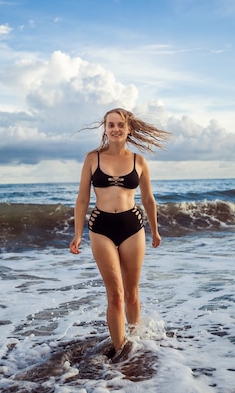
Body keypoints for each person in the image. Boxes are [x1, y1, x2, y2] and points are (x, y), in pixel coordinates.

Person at [69, 108, 170, 361]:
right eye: (111, 124)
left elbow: (148, 198)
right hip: (100, 226)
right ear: (105, 129)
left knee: (132, 293)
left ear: (128, 129)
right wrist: (78, 234)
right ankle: (121, 351)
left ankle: (137, 344)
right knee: (115, 295)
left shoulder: (139, 161)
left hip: (132, 227)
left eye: (120, 125)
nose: (115, 129)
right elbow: (82, 199)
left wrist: (155, 230)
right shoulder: (93, 159)